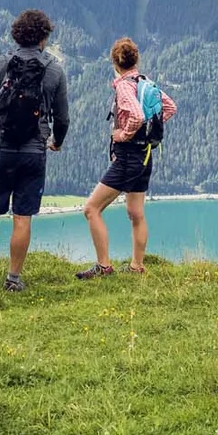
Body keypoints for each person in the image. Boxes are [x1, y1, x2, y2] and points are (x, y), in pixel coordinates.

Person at [0, 8, 70, 292]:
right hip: (34, 151)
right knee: (22, 217)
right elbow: (62, 118)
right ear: (44, 38)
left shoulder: (0, 64)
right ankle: (13, 280)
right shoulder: (54, 70)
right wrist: (56, 142)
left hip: (1, 147)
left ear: (17, 34)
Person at [76, 37, 175, 279]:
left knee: (91, 208)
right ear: (136, 60)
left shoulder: (123, 86)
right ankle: (137, 266)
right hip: (145, 154)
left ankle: (103, 267)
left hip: (129, 155)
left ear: (115, 63)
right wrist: (148, 133)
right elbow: (170, 107)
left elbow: (138, 115)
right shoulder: (145, 82)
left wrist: (123, 134)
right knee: (135, 212)